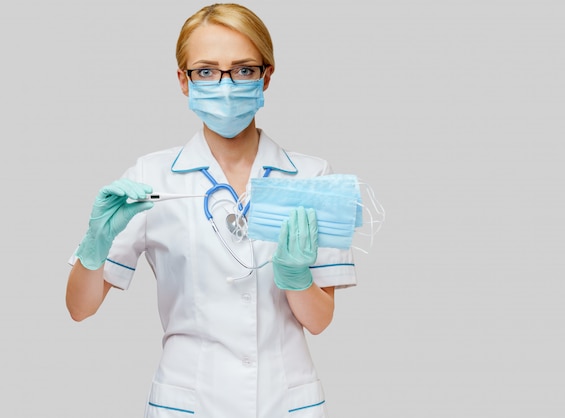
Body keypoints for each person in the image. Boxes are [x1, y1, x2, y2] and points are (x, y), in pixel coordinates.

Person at [66, 3, 356, 418]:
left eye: (242, 70)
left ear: (266, 76)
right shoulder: (152, 176)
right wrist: (95, 245)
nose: (225, 85)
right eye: (205, 71)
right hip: (188, 401)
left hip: (285, 400)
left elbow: (320, 320)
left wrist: (294, 278)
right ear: (184, 81)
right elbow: (80, 308)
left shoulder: (312, 178)